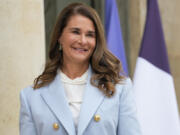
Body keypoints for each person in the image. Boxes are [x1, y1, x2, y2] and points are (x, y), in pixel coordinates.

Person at [19, 2, 141, 135]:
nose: (83, 41)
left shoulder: (119, 89)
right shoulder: (31, 97)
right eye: (75, 32)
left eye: (90, 35)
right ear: (60, 36)